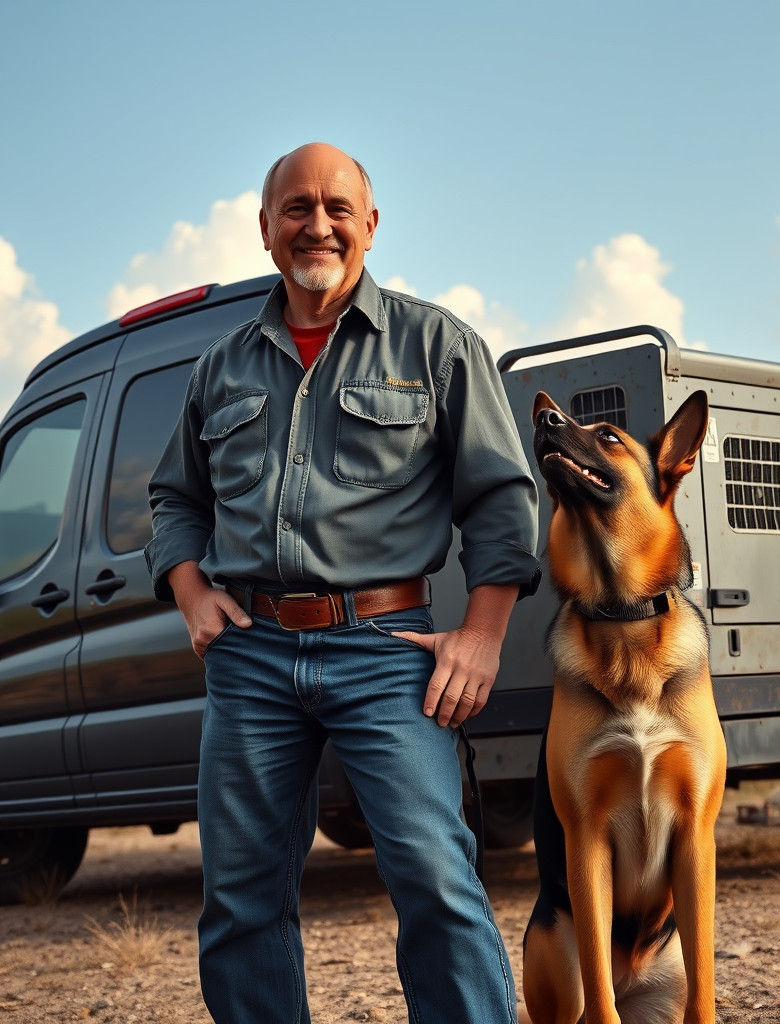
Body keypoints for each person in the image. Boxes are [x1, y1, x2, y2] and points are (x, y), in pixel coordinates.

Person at [145, 142, 540, 1024]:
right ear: (265, 228)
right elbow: (175, 496)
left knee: (434, 877)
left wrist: (482, 635)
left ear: (370, 224)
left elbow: (501, 499)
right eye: (296, 208)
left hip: (387, 648)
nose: (316, 225)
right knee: (240, 896)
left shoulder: (435, 344)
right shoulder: (221, 367)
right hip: (251, 655)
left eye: (335, 208)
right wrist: (191, 592)